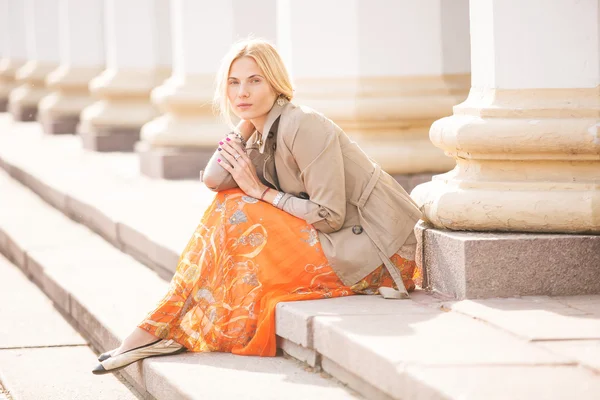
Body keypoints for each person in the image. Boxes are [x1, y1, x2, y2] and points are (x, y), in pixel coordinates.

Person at [92, 38, 422, 375]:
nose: (242, 93)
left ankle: (161, 328)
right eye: (233, 83)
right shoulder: (261, 129)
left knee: (240, 208)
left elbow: (329, 215)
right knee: (230, 201)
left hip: (376, 251)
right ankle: (165, 327)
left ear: (276, 84)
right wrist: (244, 123)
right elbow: (215, 180)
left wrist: (263, 192)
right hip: (340, 241)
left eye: (255, 81)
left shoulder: (302, 124)